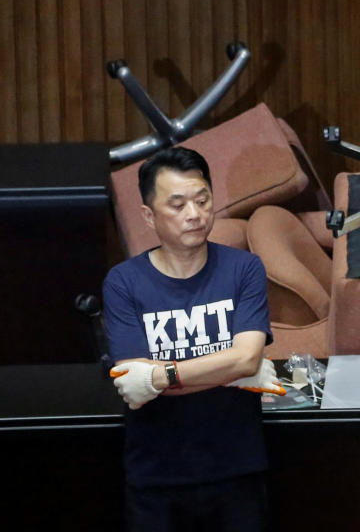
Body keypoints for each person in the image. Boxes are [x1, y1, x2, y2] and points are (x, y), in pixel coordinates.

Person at [102, 147, 284, 532]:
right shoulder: (124, 282)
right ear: (149, 216)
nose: (194, 214)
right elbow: (133, 384)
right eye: (178, 204)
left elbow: (247, 360)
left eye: (203, 200)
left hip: (237, 467)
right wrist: (226, 368)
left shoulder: (243, 268)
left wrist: (159, 376)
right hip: (156, 473)